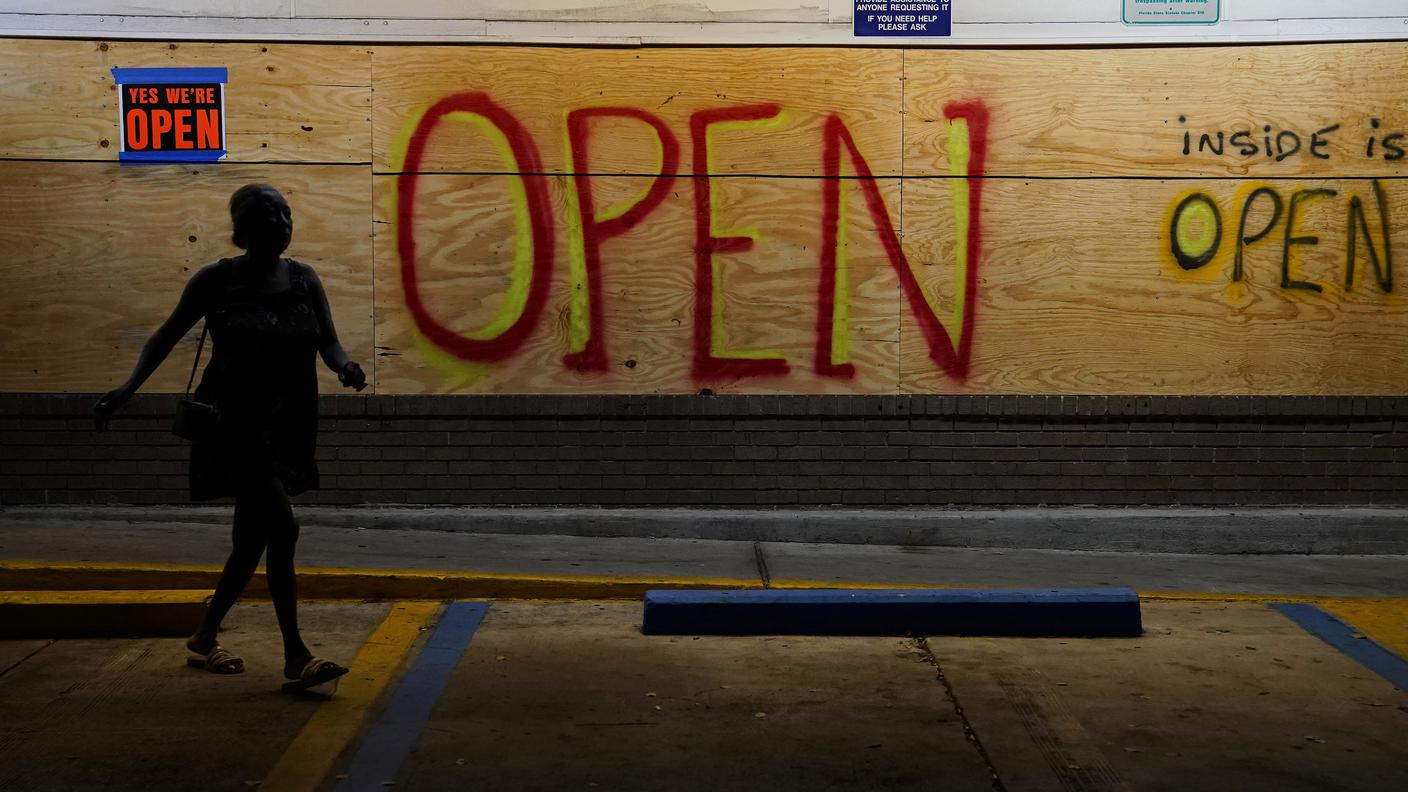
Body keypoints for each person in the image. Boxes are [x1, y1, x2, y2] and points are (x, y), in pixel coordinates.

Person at [94, 184, 366, 692]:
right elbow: (167, 334)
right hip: (233, 424)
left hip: (287, 424)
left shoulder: (304, 279)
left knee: (251, 541)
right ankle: (296, 656)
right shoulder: (217, 280)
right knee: (282, 529)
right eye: (269, 215)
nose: (282, 223)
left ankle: (203, 638)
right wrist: (128, 387)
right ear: (243, 228)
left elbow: (327, 339)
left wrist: (345, 366)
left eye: (286, 213)